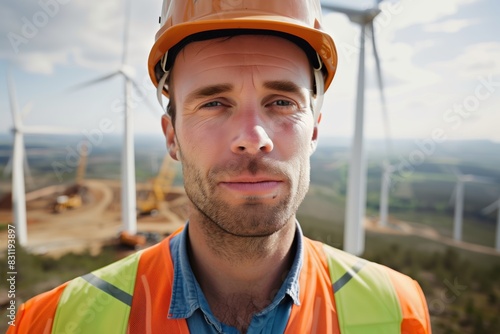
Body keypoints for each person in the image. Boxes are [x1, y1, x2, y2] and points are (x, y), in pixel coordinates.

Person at [8, 0, 432, 333]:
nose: (253, 136)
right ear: (171, 136)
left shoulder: (399, 311)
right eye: (213, 103)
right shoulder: (51, 323)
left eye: (282, 102)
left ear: (315, 131)